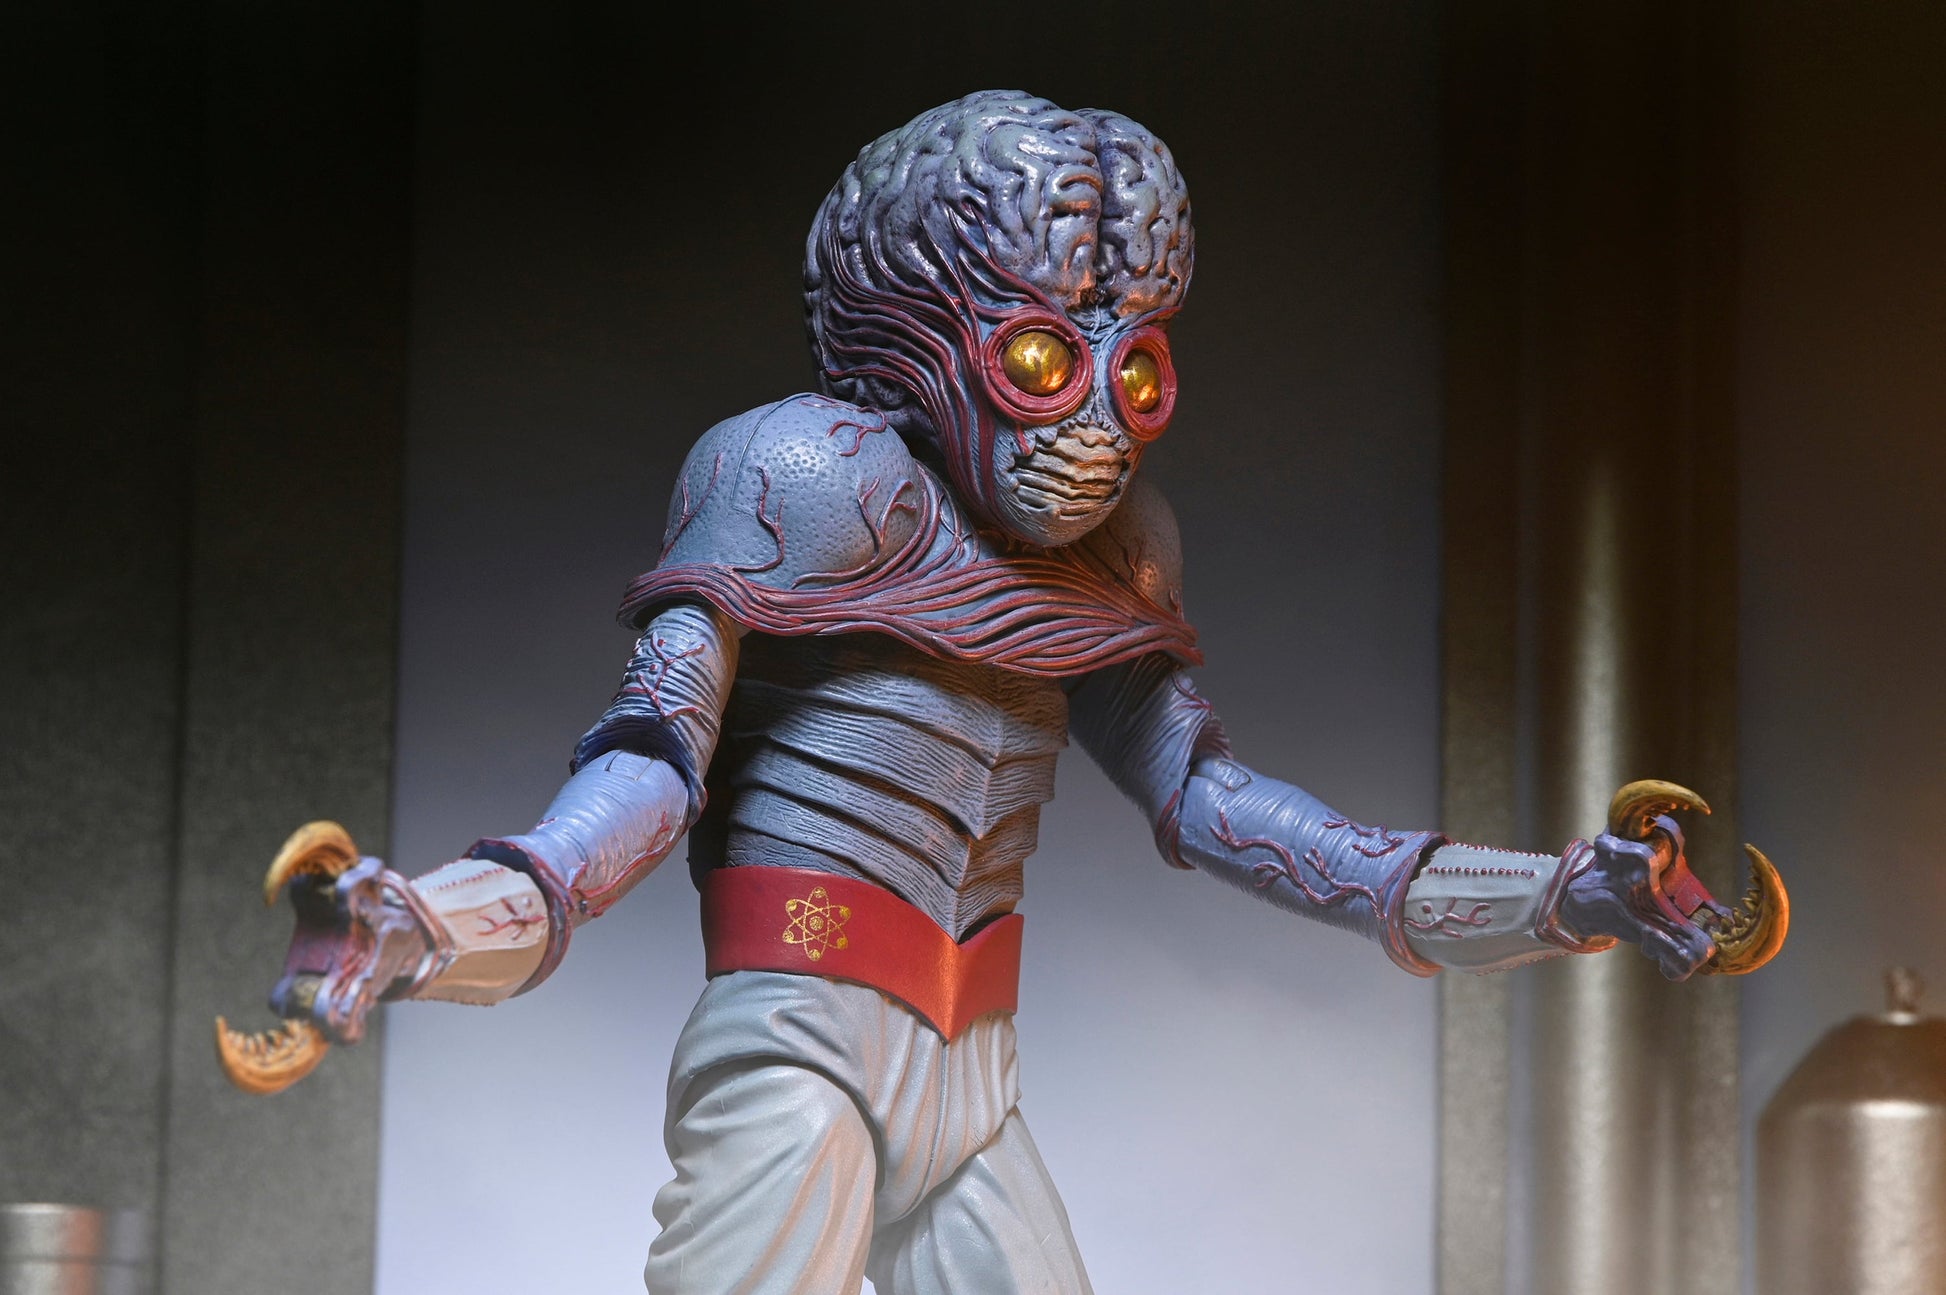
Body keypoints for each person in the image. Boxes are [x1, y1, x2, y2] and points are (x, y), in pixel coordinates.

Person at [224, 90, 1772, 1294]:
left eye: (1132, 368)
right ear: (924, 337)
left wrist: (1561, 896)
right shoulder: (805, 472)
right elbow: (650, 756)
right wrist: (439, 921)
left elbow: (1221, 807)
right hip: (804, 1030)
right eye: (1039, 361)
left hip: (977, 1066)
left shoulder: (1120, 546)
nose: (1095, 427)